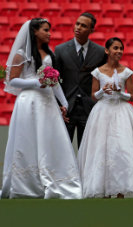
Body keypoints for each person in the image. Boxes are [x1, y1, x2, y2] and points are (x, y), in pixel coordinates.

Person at [1, 18, 82, 199]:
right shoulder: (21, 54)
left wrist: (63, 102)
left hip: (47, 103)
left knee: (49, 139)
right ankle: (27, 183)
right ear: (35, 31)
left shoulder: (48, 53)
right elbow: (12, 80)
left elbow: (53, 82)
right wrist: (36, 83)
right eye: (45, 30)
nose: (49, 33)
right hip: (29, 102)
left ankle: (56, 178)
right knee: (29, 140)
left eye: (49, 30)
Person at [77, 37, 133, 198]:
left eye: (121, 49)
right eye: (115, 48)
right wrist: (104, 91)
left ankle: (121, 189)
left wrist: (119, 92)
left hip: (122, 112)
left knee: (122, 149)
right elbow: (94, 96)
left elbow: (132, 96)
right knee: (101, 149)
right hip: (102, 111)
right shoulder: (98, 72)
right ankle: (102, 189)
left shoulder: (127, 72)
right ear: (107, 50)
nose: (119, 51)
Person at [55, 12, 106, 147]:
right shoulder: (60, 50)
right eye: (77, 24)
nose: (78, 27)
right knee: (63, 151)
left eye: (83, 26)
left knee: (87, 153)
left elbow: (103, 79)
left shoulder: (101, 52)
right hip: (67, 109)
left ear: (91, 30)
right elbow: (55, 81)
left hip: (89, 109)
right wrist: (58, 106)